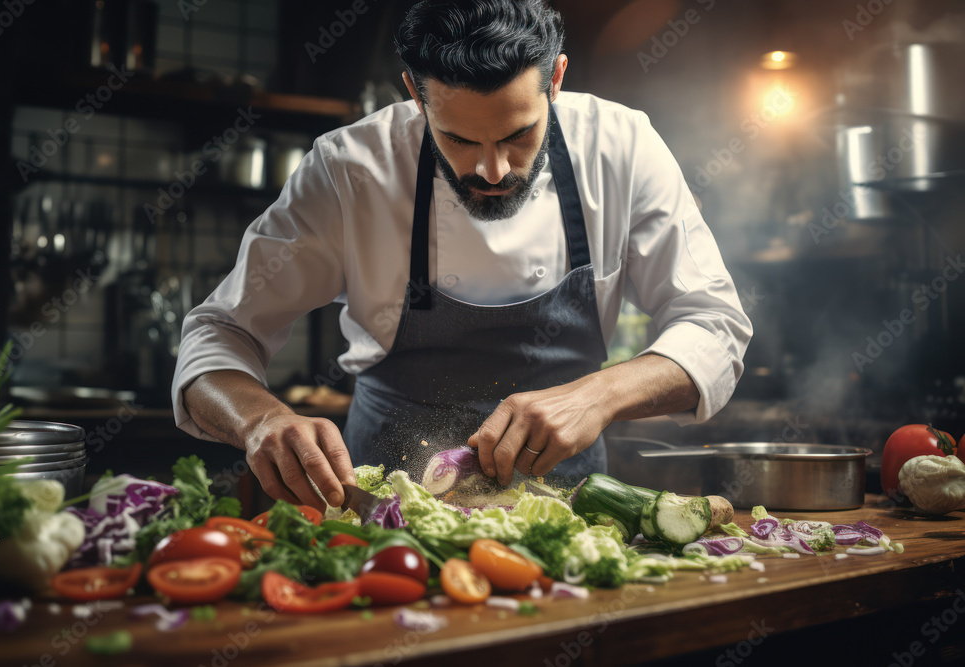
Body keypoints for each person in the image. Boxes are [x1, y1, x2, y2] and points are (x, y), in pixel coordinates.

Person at [172, 0, 752, 512]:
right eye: (460, 140)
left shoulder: (623, 147)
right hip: (387, 513)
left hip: (571, 515)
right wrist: (261, 420)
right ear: (414, 92)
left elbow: (713, 325)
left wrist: (597, 395)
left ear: (556, 79)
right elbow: (218, 332)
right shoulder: (350, 169)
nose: (492, 170)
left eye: (519, 135)